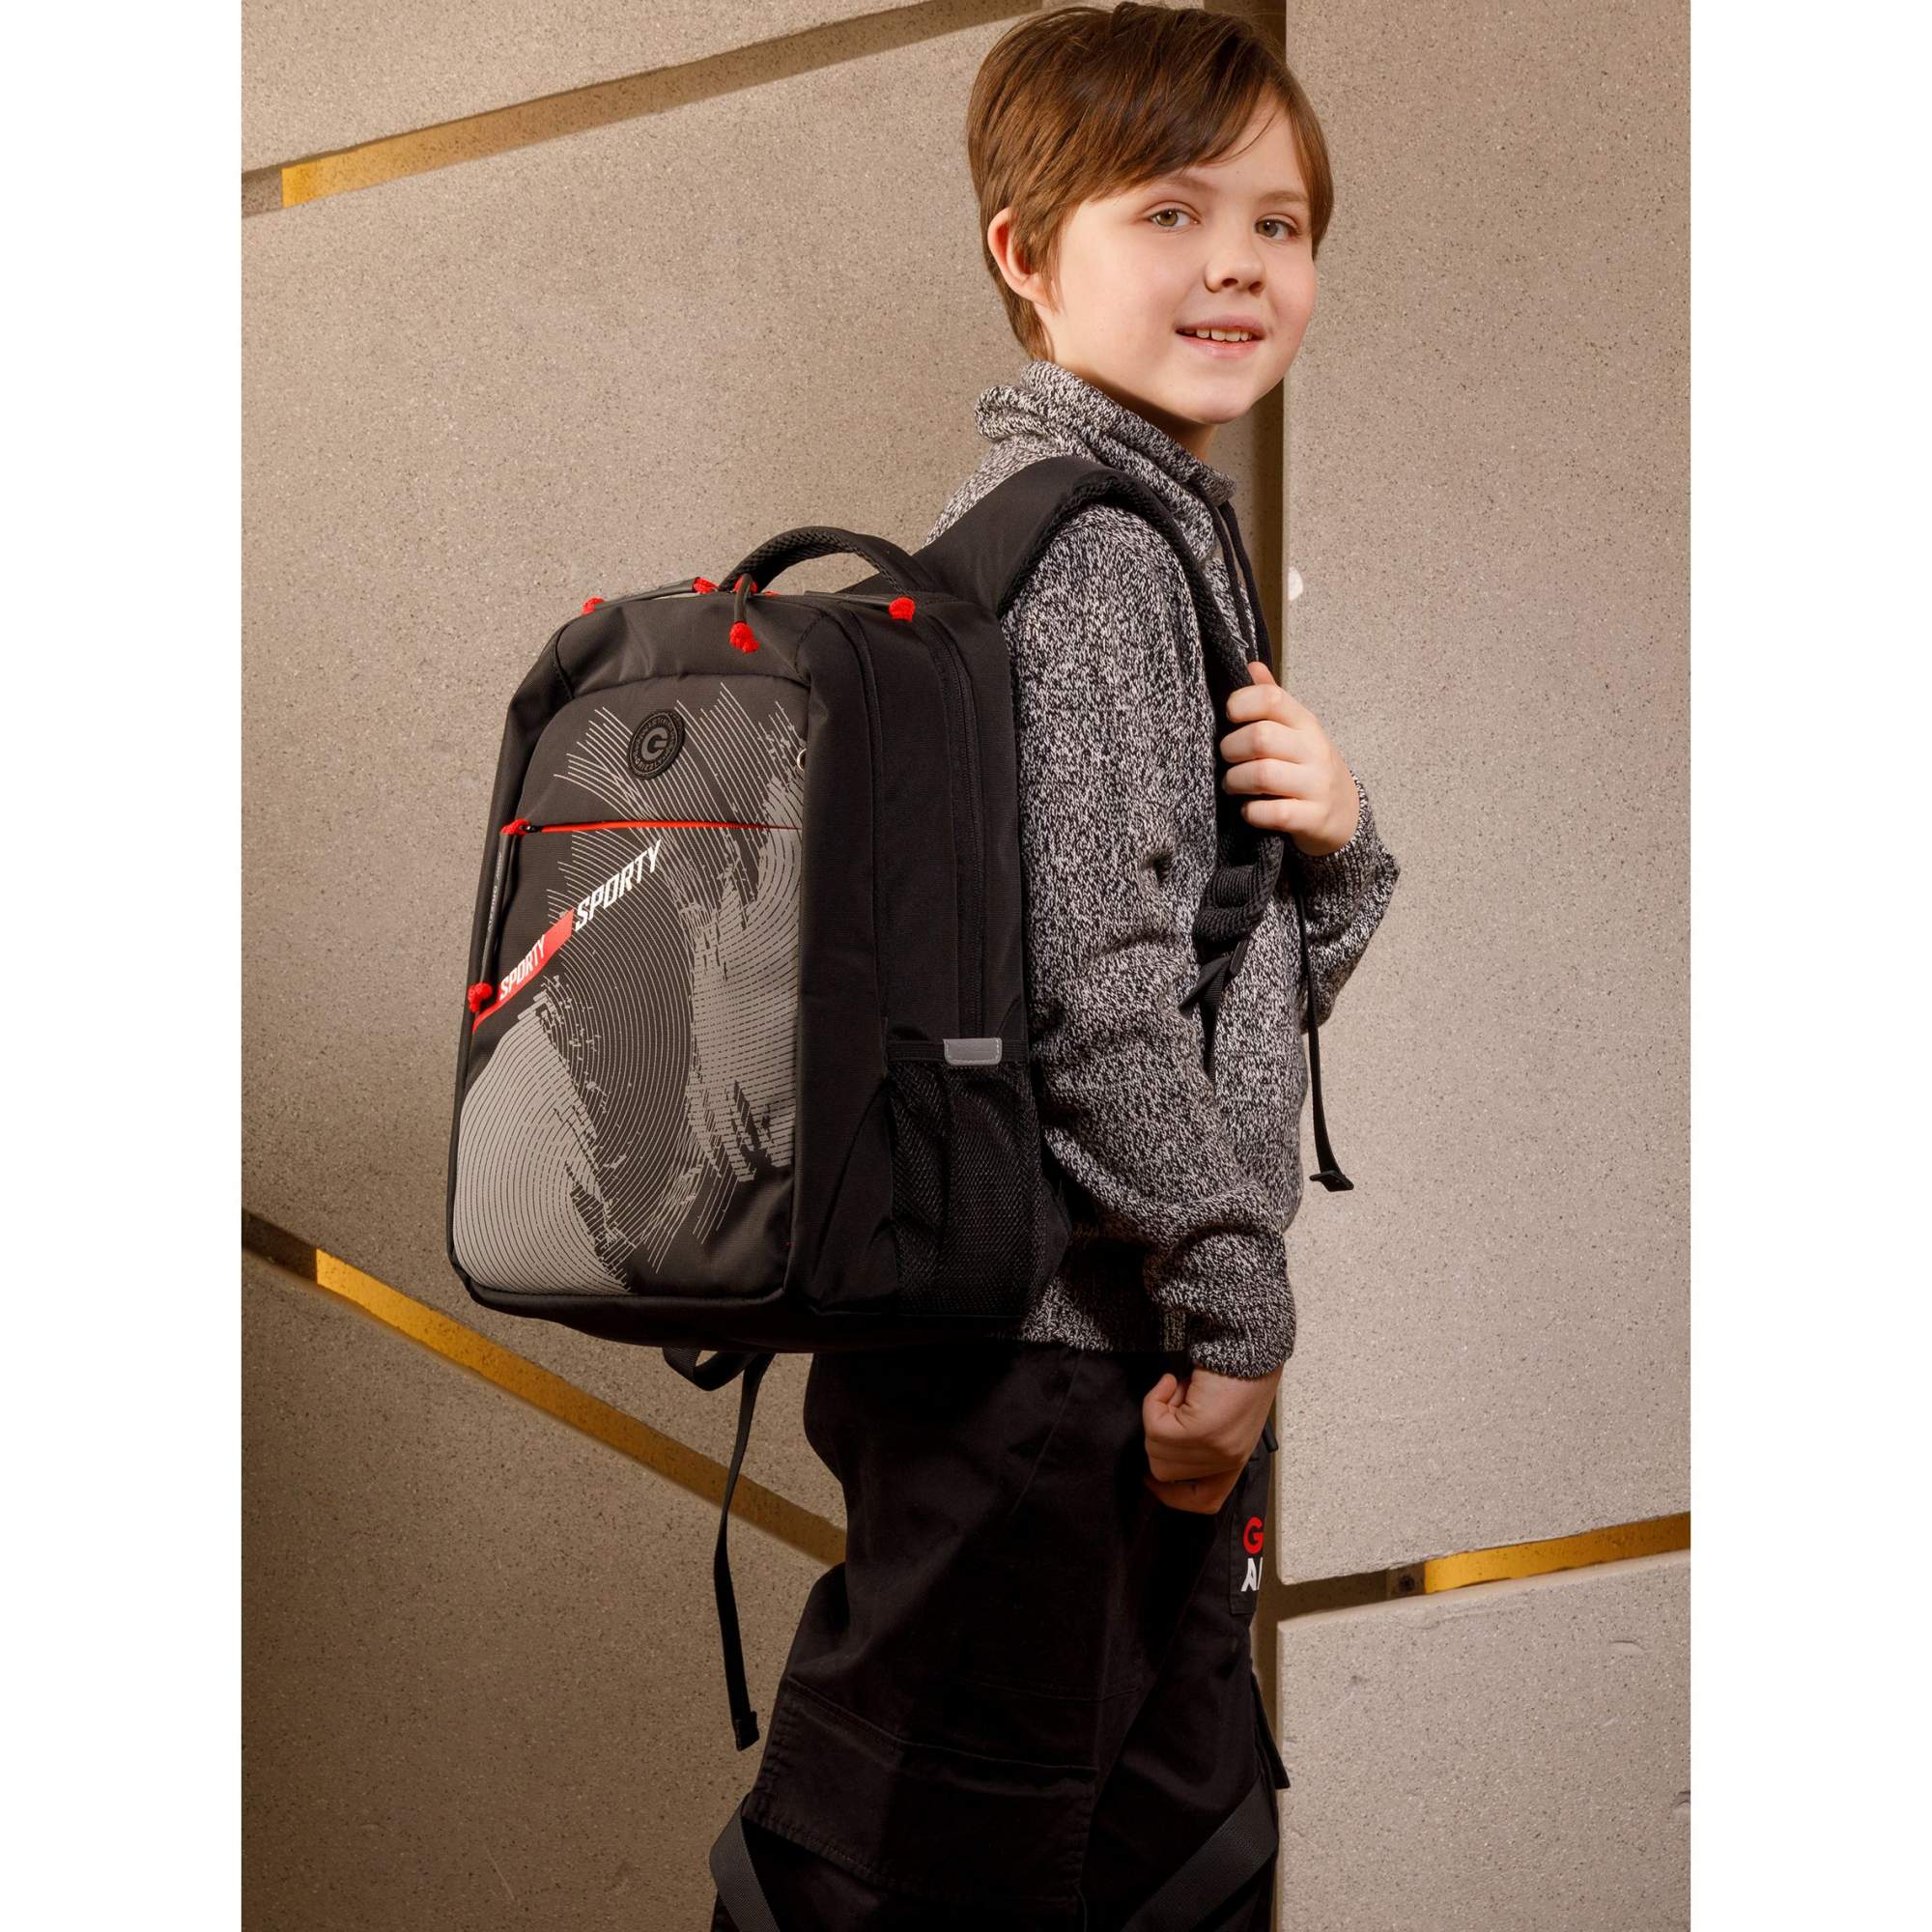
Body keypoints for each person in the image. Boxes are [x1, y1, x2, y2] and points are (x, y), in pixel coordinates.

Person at [712, 7, 1400, 1927]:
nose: (1236, 264)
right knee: (933, 1873)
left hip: (1066, 1343)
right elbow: (1096, 1001)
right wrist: (1235, 1302)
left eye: (1276, 223)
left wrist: (1340, 839)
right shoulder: (1094, 560)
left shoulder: (1124, 538)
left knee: (1149, 1858)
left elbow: (1218, 993)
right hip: (1065, 1365)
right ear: (1024, 253)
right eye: (1170, 212)